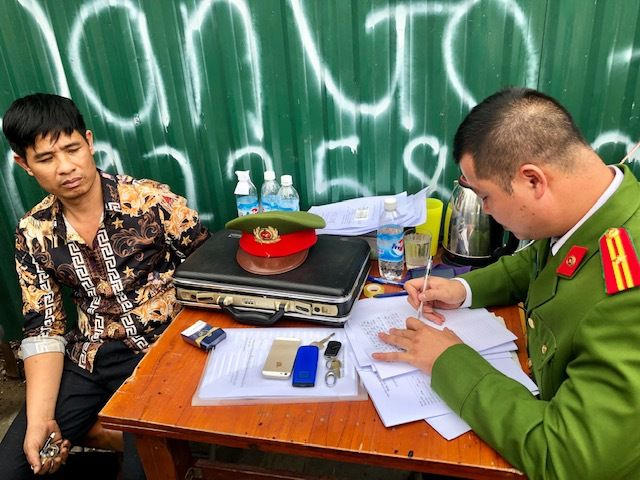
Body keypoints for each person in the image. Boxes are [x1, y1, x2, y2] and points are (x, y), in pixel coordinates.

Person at [373, 88, 640, 479]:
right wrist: (461, 290)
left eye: (485, 196)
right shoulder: (591, 205)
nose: (485, 210)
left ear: (532, 180)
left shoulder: (629, 290)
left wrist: (449, 361)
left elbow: (569, 459)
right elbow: (537, 262)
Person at [0, 93, 209, 479]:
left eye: (72, 149)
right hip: (90, 359)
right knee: (14, 467)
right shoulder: (34, 232)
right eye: (46, 159)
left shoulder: (152, 202)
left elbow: (209, 273)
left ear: (89, 141)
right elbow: (44, 328)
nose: (66, 167)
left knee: (145, 470)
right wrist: (40, 420)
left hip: (160, 354)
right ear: (24, 165)